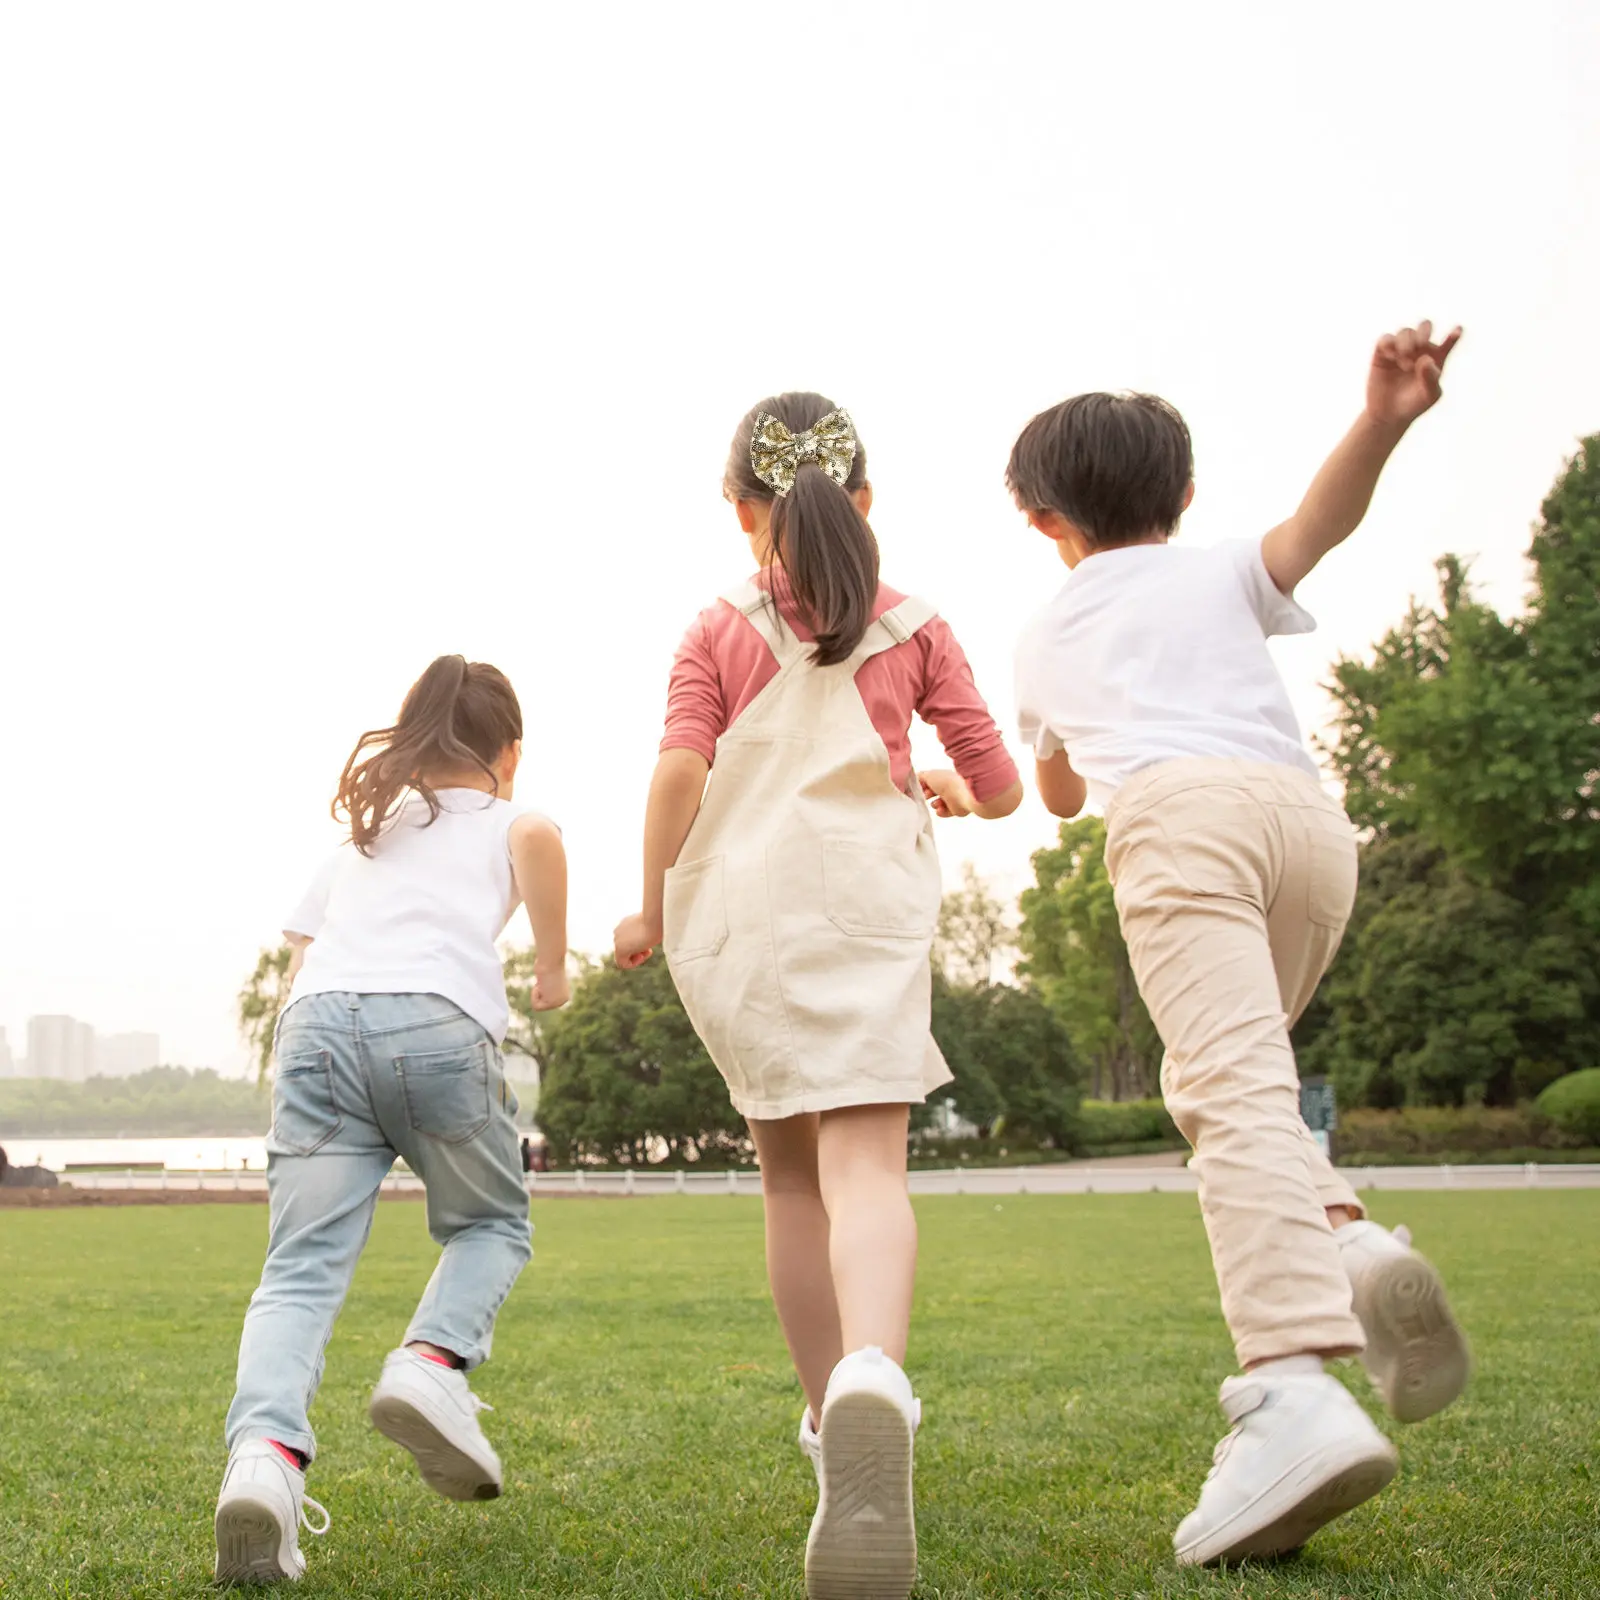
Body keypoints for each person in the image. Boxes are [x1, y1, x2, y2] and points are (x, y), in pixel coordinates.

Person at [1009, 323, 1473, 1567]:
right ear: (1185, 495)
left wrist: (1032, 761)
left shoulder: (1047, 632)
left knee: (1224, 1089)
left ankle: (1288, 1389)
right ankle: (1349, 1240)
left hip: (1181, 825)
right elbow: (1317, 526)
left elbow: (1053, 795)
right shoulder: (1218, 568)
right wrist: (1383, 417)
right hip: (1308, 830)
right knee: (1240, 1082)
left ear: (1039, 517)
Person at [614, 395, 1022, 1600]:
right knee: (867, 1173)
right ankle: (873, 1383)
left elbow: (679, 770)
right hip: (867, 910)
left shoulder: (716, 628)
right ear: (866, 501)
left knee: (787, 1178)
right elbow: (1000, 788)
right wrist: (944, 785)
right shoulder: (920, 629)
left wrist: (649, 905)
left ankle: (822, 1411)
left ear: (745, 513)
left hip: (746, 917)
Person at [215, 656, 569, 1585]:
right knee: (491, 1222)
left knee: (296, 1273)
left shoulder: (365, 839)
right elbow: (539, 838)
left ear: (413, 745)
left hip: (319, 1028)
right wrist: (553, 970)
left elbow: (301, 948)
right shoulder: (508, 818)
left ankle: (265, 1459)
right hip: (436, 1024)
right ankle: (431, 1360)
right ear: (512, 751)